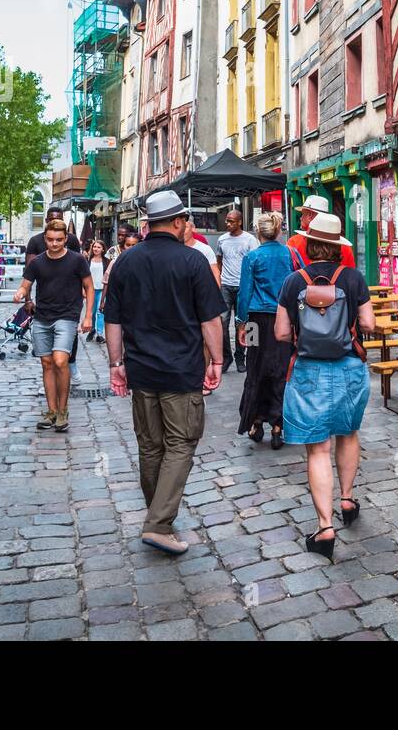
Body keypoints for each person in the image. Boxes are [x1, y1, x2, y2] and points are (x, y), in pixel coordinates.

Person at [103, 191, 226, 556]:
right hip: (181, 369)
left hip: (141, 370)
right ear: (177, 222)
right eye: (185, 220)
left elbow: (113, 320)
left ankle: (160, 517)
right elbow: (210, 320)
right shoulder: (192, 262)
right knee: (181, 442)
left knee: (150, 444)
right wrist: (216, 361)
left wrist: (116, 364)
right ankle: (158, 523)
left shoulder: (125, 262)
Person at [275, 211, 375, 561]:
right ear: (337, 246)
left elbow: (281, 333)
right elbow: (369, 324)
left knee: (318, 449)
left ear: (309, 242)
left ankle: (325, 527)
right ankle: (347, 500)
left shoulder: (292, 282)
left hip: (309, 372)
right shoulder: (354, 278)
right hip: (349, 369)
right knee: (348, 434)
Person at [14, 219, 94, 433]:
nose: (54, 243)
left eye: (58, 239)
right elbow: (25, 284)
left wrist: (88, 317)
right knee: (47, 363)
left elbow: (89, 286)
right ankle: (51, 411)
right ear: (45, 239)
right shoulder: (37, 262)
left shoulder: (77, 260)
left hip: (67, 316)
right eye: (50, 239)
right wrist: (21, 293)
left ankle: (63, 410)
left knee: (60, 360)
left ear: (65, 239)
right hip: (42, 317)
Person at [236, 211, 293, 447]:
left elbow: (244, 293)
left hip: (255, 319)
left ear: (257, 231)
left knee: (255, 367)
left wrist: (241, 323)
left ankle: (255, 419)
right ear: (278, 231)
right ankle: (278, 424)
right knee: (281, 368)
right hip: (284, 318)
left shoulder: (252, 257)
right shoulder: (290, 254)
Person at [25, 206, 83, 388]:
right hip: (46, 301)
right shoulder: (35, 241)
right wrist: (27, 298)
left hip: (69, 301)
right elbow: (29, 271)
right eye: (51, 218)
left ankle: (70, 362)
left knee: (68, 338)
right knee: (47, 351)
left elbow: (78, 267)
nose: (55, 242)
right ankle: (51, 379)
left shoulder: (72, 240)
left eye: (58, 218)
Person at [217, 208, 259, 373]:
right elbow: (219, 261)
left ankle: (242, 356)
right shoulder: (222, 240)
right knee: (222, 323)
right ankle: (227, 357)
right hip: (226, 286)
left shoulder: (250, 240)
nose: (227, 224)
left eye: (231, 221)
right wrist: (219, 280)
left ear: (239, 222)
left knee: (244, 322)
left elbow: (255, 262)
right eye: (227, 220)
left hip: (244, 286)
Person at [287, 195, 356, 270]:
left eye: (302, 214)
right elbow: (350, 274)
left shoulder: (294, 242)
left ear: (310, 215)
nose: (300, 218)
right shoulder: (344, 246)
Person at [182, 216, 221, 285]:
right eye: (181, 228)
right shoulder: (173, 248)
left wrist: (216, 293)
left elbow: (215, 272)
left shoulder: (205, 249)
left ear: (192, 228)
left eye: (186, 227)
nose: (183, 231)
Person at [85, 240, 109, 344]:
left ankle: (100, 334)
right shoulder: (88, 261)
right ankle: (92, 330)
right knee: (92, 312)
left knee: (100, 312)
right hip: (91, 290)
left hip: (102, 291)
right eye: (95, 247)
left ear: (103, 249)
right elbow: (83, 277)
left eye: (99, 247)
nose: (96, 249)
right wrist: (83, 289)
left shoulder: (106, 261)